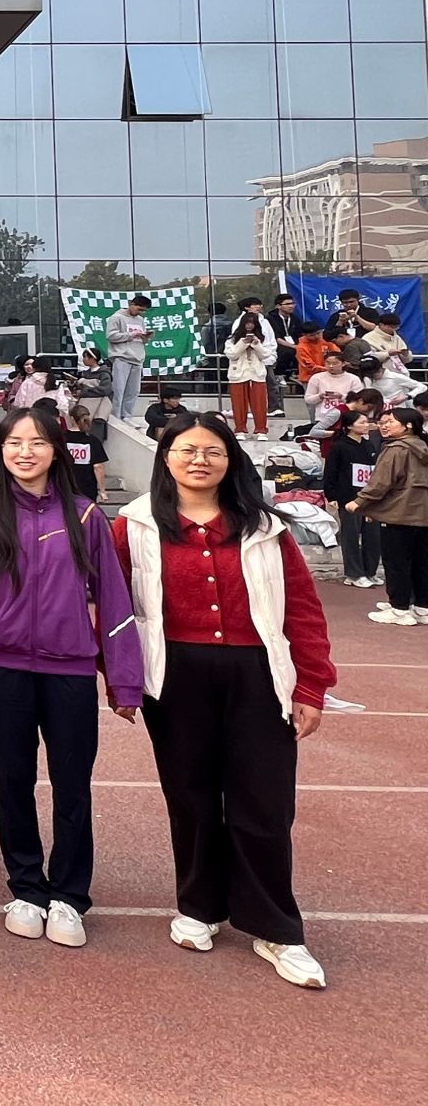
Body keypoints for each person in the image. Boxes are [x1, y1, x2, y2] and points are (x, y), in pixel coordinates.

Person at [114, 414, 336, 989]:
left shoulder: (266, 527)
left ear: (230, 460)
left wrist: (311, 684)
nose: (199, 460)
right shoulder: (134, 524)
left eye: (213, 451)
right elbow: (111, 609)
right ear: (166, 458)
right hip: (176, 676)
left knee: (264, 802)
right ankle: (199, 906)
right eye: (187, 450)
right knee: (189, 796)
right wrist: (120, 679)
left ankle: (276, 927)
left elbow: (302, 609)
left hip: (257, 675)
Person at [0, 406, 144, 949]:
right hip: (4, 667)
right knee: (12, 781)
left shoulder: (85, 516)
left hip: (70, 670)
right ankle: (25, 888)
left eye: (37, 442)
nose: (25, 452)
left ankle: (68, 895)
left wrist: (123, 680)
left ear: (56, 451)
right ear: (0, 450)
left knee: (72, 784)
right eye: (14, 442)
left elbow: (114, 599)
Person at [345, 406, 428, 626]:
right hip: (422, 513)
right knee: (420, 562)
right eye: (382, 422)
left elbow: (380, 483)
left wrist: (359, 502)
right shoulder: (422, 446)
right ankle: (421, 607)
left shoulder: (396, 449)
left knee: (397, 562)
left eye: (390, 421)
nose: (384, 426)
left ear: (408, 425)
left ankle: (399, 608)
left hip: (399, 513)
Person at [323, 411, 382, 588]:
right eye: (362, 422)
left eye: (367, 422)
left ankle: (370, 571)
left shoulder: (369, 445)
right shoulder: (339, 446)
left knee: (373, 537)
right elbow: (330, 472)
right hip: (348, 498)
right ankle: (354, 574)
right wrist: (331, 495)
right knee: (351, 536)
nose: (366, 425)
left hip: (369, 498)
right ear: (349, 426)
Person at [224, 310, 272, 441]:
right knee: (239, 404)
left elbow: (265, 355)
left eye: (252, 323)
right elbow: (231, 355)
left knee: (260, 404)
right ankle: (240, 429)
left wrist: (256, 344)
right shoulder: (232, 339)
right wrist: (243, 343)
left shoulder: (261, 338)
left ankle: (261, 430)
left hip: (257, 373)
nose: (249, 326)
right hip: (238, 374)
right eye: (247, 323)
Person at [104, 294, 153, 423]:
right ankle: (115, 416)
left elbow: (141, 339)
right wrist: (131, 334)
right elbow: (111, 336)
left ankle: (127, 415)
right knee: (118, 389)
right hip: (122, 357)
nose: (141, 312)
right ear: (131, 304)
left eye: (143, 311)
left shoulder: (140, 320)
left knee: (134, 390)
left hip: (138, 357)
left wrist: (145, 337)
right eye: (139, 309)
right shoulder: (116, 317)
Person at [60, 402, 108, 503]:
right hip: (87, 488)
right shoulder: (92, 440)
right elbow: (98, 467)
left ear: (71, 418)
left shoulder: (61, 438)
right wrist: (102, 491)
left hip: (65, 485)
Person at [73, 348, 113, 427]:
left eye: (85, 357)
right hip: (84, 406)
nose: (83, 359)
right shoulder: (85, 373)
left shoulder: (104, 374)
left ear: (93, 358)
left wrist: (84, 391)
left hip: (96, 407)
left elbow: (105, 390)